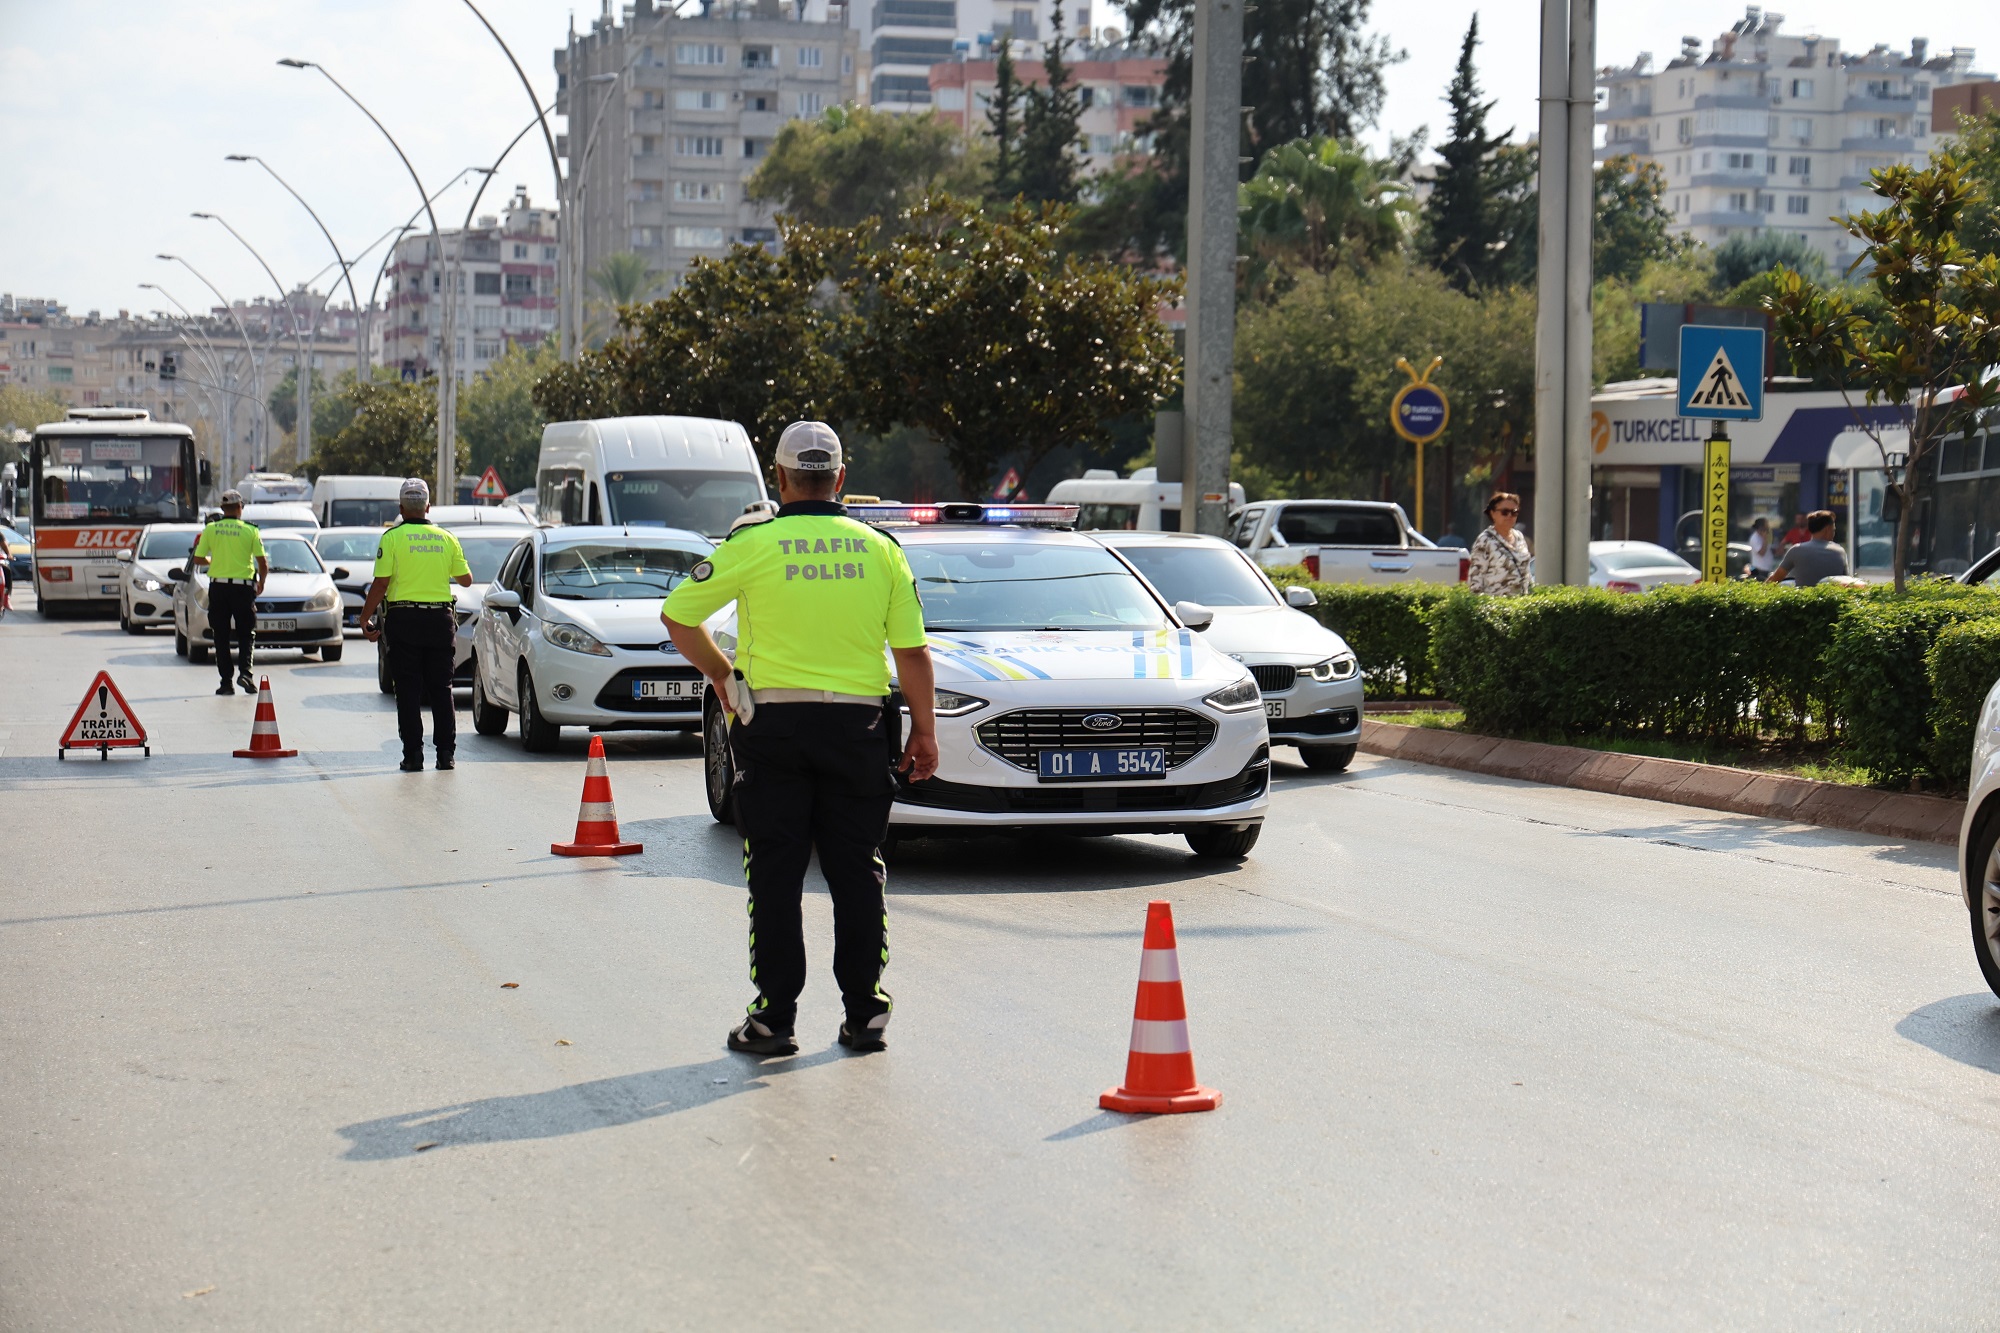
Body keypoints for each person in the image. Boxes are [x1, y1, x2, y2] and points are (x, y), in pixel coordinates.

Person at [661, 421, 938, 1057]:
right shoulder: (880, 550)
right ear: (841, 479)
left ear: (780, 479)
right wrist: (924, 731)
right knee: (857, 873)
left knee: (776, 876)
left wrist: (725, 678)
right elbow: (913, 653)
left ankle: (774, 1019)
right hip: (858, 730)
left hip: (774, 730)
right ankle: (866, 1013)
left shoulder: (754, 544)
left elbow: (679, 615)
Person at [356, 479, 472, 772]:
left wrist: (364, 617)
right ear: (428, 507)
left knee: (408, 690)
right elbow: (466, 579)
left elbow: (381, 583)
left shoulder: (392, 538)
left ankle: (413, 755)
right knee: (441, 689)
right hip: (440, 621)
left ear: (401, 508)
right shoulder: (446, 538)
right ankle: (446, 754)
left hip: (404, 620)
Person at [189, 489, 268, 696]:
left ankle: (226, 683)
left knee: (221, 636)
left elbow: (198, 559)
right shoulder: (251, 531)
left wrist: (212, 561)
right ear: (240, 508)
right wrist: (262, 582)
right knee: (246, 633)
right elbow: (263, 563)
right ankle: (246, 674)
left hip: (219, 588)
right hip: (243, 589)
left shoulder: (211, 529)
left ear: (223, 509)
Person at [1467, 492, 1533, 595]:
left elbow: (1527, 574)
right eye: (1505, 512)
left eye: (1514, 512)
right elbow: (1475, 582)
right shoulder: (1485, 540)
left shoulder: (1519, 537)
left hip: (1521, 606)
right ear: (1493, 513)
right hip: (1496, 607)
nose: (1510, 516)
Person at [1767, 509, 1850, 587]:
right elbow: (1847, 582)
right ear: (1827, 529)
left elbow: (1775, 579)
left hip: (1803, 601)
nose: (1834, 533)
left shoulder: (1796, 550)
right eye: (1833, 530)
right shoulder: (1840, 552)